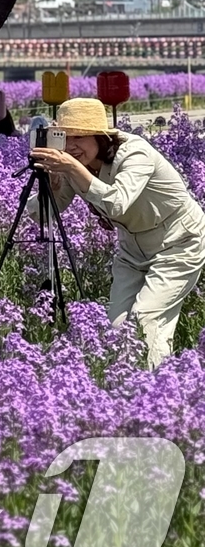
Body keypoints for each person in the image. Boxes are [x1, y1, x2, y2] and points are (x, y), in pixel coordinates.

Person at [31, 97, 205, 368]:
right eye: (65, 137)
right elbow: (42, 214)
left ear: (101, 138)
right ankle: (124, 390)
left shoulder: (134, 153)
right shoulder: (72, 163)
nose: (71, 146)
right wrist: (51, 183)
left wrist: (72, 168)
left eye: (80, 137)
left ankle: (155, 392)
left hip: (179, 242)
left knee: (146, 319)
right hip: (132, 249)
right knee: (118, 327)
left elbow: (117, 202)